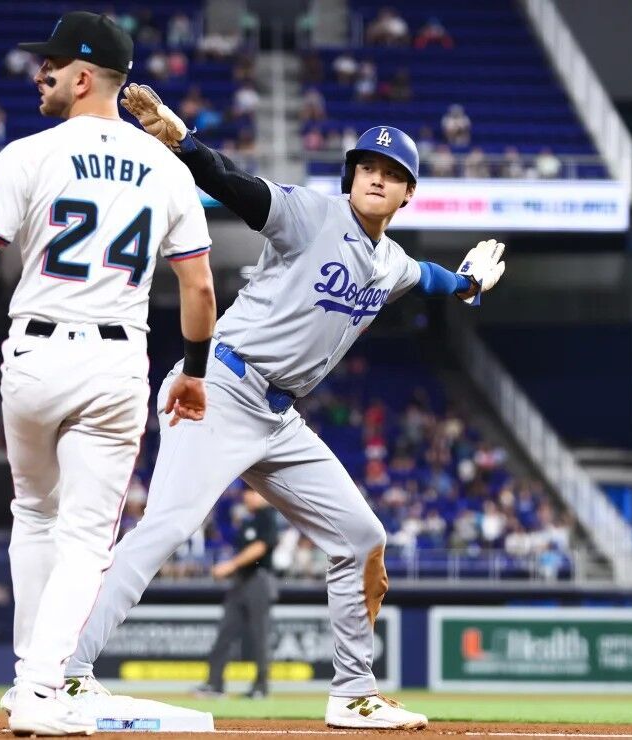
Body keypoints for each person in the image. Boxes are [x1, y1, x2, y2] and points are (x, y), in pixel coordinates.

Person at [53, 87, 505, 730]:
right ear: (352, 178)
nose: (377, 179)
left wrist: (467, 285)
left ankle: (353, 692)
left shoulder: (392, 262)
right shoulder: (312, 215)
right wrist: (183, 144)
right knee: (164, 529)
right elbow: (237, 188)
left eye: (393, 174)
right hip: (220, 386)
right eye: (369, 168)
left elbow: (428, 276)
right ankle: (67, 674)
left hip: (277, 416)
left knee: (362, 536)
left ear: (408, 195)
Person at [0, 13, 217, 736]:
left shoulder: (29, 154)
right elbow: (200, 290)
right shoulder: (165, 166)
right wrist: (193, 371)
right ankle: (41, 687)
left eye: (53, 65)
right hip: (114, 359)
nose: (41, 73)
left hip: (31, 356)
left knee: (33, 514)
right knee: (88, 538)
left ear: (87, 76)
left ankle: (26, 679)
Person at [193, 489, 279, 700]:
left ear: (262, 495)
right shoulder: (247, 520)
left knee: (260, 635)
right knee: (225, 632)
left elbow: (260, 547)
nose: (247, 497)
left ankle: (261, 686)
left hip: (259, 579)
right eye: (246, 493)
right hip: (241, 580)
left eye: (252, 493)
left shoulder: (267, 516)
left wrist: (230, 566)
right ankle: (215, 684)